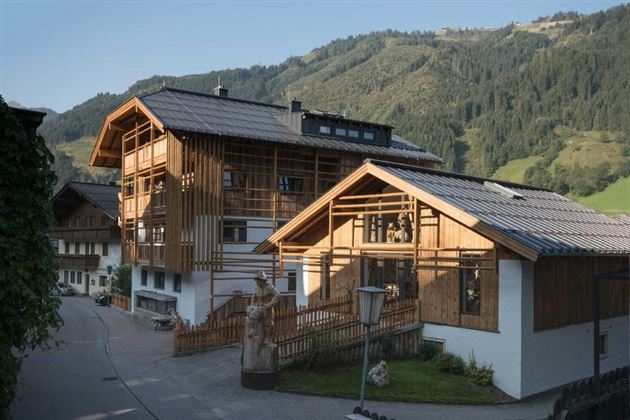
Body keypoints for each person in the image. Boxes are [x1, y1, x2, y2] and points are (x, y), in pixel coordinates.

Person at [249, 271, 280, 341]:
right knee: (252, 315)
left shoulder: (269, 287)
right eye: (256, 281)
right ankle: (254, 330)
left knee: (268, 324)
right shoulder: (257, 288)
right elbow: (253, 297)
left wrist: (270, 304)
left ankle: (267, 338)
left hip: (267, 309)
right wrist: (252, 305)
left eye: (257, 281)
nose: (256, 282)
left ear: (262, 280)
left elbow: (278, 295)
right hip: (259, 308)